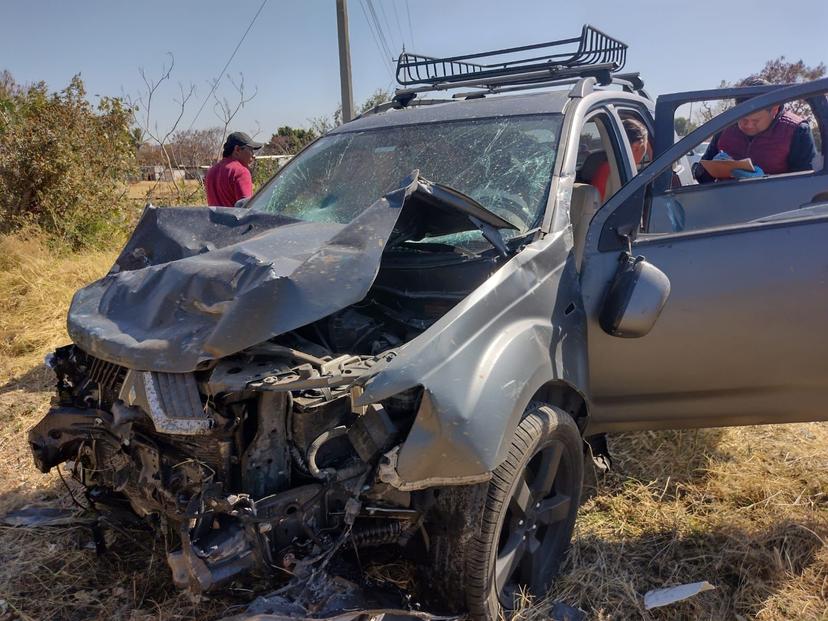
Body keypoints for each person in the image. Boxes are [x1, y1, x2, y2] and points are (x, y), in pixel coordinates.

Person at [692, 78, 816, 183]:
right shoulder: (725, 127)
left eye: (756, 120)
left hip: (775, 209)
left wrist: (765, 180)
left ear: (774, 110)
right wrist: (710, 169)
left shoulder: (797, 130)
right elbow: (701, 177)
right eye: (742, 119)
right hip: (726, 205)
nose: (748, 125)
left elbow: (805, 184)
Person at [590, 117, 651, 201]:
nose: (645, 152)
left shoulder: (605, 167)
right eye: (646, 145)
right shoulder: (621, 171)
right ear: (637, 146)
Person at [205, 131, 263, 206]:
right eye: (251, 150)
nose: (253, 155)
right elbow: (245, 209)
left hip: (213, 218)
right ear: (237, 149)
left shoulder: (211, 171)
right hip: (233, 218)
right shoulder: (240, 172)